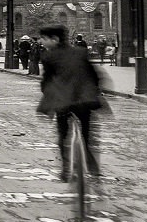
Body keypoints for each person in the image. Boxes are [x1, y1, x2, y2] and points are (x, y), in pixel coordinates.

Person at [37, 24, 104, 180]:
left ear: (54, 39)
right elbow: (94, 74)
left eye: (44, 38)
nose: (41, 41)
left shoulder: (48, 57)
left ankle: (66, 170)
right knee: (87, 134)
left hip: (64, 101)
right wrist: (96, 91)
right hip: (85, 100)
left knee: (63, 135)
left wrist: (47, 98)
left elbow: (47, 81)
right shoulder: (80, 52)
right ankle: (92, 167)